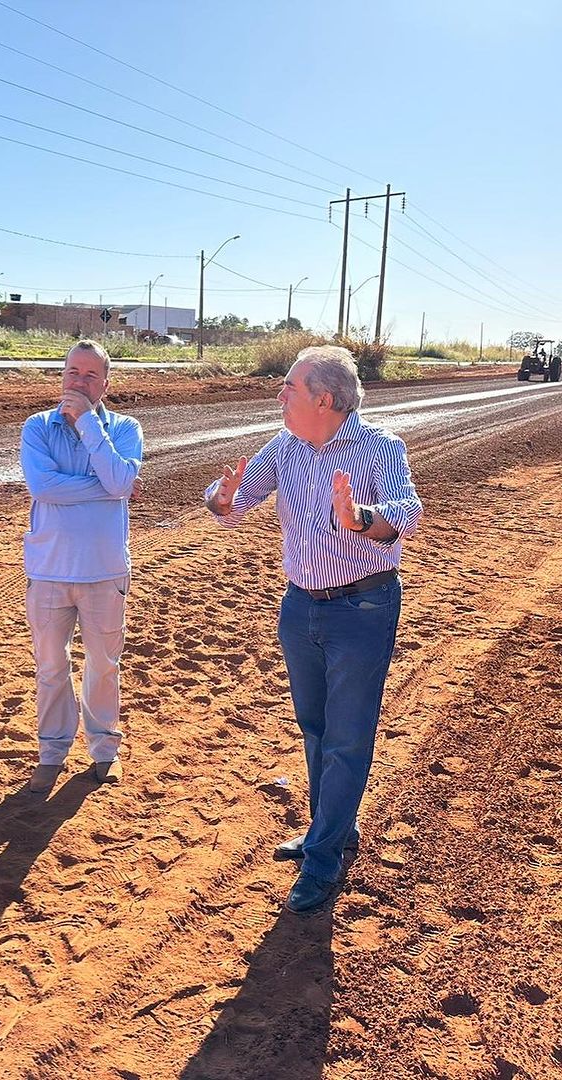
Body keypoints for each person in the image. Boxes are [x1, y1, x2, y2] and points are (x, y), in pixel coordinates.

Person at [206, 345, 422, 914]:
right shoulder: (285, 447)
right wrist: (220, 498)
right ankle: (332, 828)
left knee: (347, 737)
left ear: (325, 400)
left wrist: (362, 519)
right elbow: (236, 500)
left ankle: (323, 856)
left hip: (363, 609)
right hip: (300, 608)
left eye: (291, 387)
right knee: (316, 727)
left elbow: (407, 510)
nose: (280, 394)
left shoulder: (381, 448)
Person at [19, 339, 143, 794]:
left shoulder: (125, 428)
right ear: (62, 375)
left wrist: (89, 425)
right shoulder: (37, 427)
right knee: (50, 666)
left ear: (105, 385)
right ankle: (51, 752)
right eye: (73, 372)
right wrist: (111, 488)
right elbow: (44, 487)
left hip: (105, 570)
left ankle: (104, 749)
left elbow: (121, 478)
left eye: (91, 375)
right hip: (49, 570)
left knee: (104, 664)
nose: (79, 381)